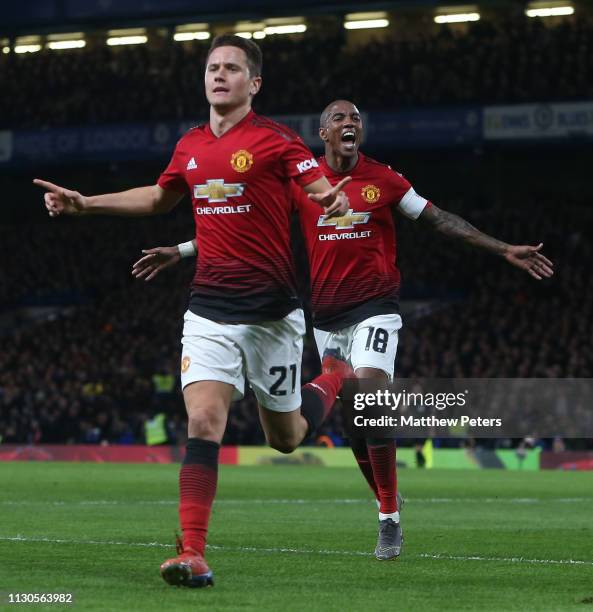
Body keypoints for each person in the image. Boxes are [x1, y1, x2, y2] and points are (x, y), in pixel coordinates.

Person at [131, 100, 554, 562]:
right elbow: (249, 222)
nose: (349, 124)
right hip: (324, 318)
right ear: (323, 133)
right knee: (356, 426)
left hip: (375, 309)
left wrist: (502, 249)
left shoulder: (386, 179)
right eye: (339, 119)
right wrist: (182, 249)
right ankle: (386, 497)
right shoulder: (300, 182)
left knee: (371, 401)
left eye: (355, 119)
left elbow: (439, 219)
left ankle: (388, 515)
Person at [33, 35, 354, 589]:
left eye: (232, 68)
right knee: (204, 421)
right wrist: (88, 203)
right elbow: (160, 198)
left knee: (286, 437)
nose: (219, 75)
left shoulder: (278, 141)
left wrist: (335, 198)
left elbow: (320, 186)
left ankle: (333, 375)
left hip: (272, 316)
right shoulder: (189, 146)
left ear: (253, 83)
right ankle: (193, 552)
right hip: (208, 309)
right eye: (213, 67)